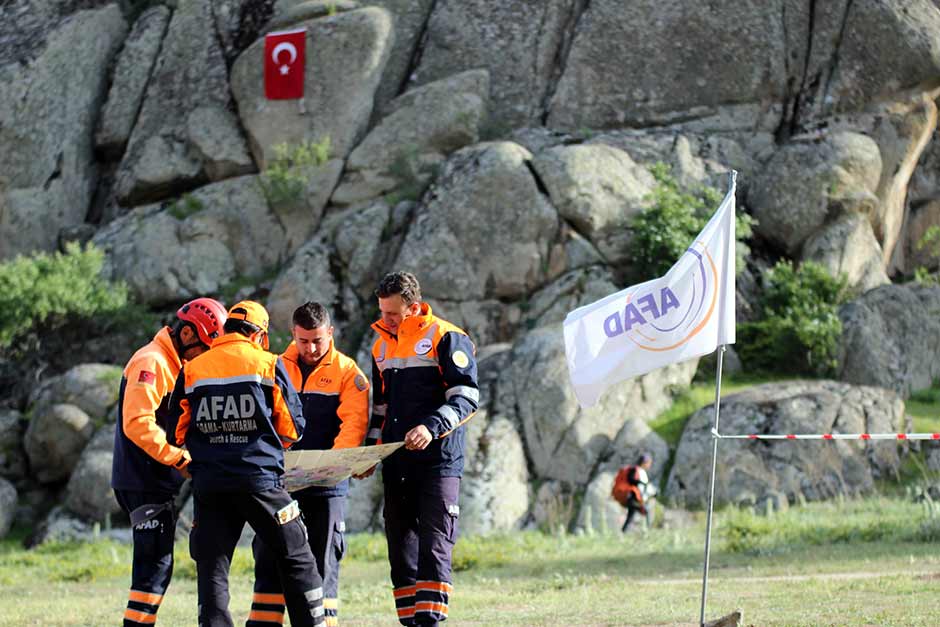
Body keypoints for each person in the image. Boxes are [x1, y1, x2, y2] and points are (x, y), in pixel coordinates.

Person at [172, 300, 325, 627]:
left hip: (210, 486)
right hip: (260, 483)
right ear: (260, 335)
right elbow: (293, 428)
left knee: (212, 568)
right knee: (297, 556)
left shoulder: (194, 368)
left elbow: (176, 429)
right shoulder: (268, 364)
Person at [363, 271, 479, 627]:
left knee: (434, 544)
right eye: (383, 312)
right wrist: (369, 451)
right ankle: (410, 621)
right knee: (400, 549)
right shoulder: (380, 344)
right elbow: (380, 407)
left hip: (438, 462)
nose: (386, 320)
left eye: (393, 313)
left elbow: (467, 397)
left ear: (413, 308)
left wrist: (431, 427)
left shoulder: (447, 337)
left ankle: (429, 621)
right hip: (396, 463)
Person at [247, 302, 369, 627]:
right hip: (279, 486)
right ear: (293, 335)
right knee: (268, 557)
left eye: (318, 340)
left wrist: (329, 467)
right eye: (304, 341)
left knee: (323, 561)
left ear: (330, 333)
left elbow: (353, 427)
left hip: (328, 487)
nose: (311, 348)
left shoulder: (347, 372)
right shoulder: (273, 367)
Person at [111, 297, 227, 626]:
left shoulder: (171, 363)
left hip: (152, 481)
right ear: (189, 335)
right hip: (142, 480)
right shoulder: (152, 362)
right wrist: (178, 458)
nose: (203, 358)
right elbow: (138, 423)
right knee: (153, 569)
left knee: (157, 568)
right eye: (204, 348)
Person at [612, 453, 657, 532]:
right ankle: (647, 531)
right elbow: (631, 479)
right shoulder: (636, 470)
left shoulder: (640, 471)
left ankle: (624, 532)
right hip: (632, 497)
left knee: (631, 516)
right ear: (644, 462)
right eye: (649, 463)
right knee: (645, 513)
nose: (650, 465)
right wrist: (642, 483)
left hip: (635, 498)